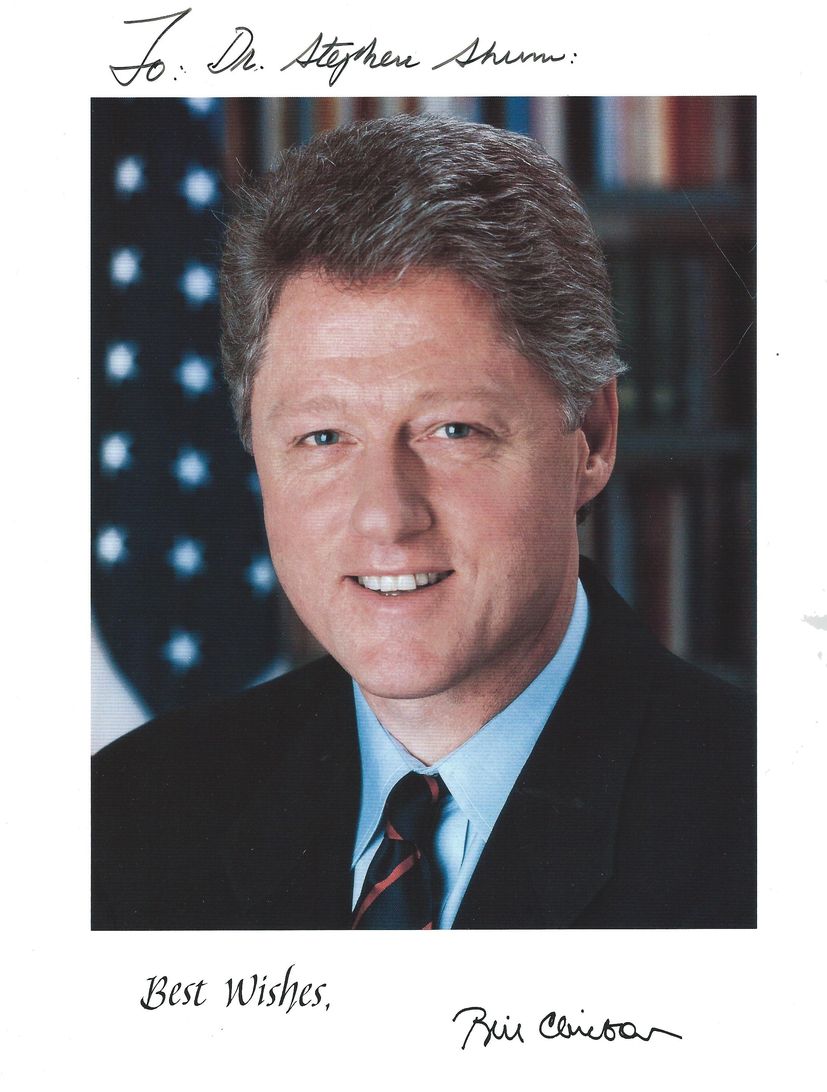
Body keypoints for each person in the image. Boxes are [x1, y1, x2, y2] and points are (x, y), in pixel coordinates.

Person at [92, 113, 755, 930]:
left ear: (589, 437)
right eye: (322, 437)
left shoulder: (767, 819)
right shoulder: (128, 815)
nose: (386, 516)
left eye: (453, 430)